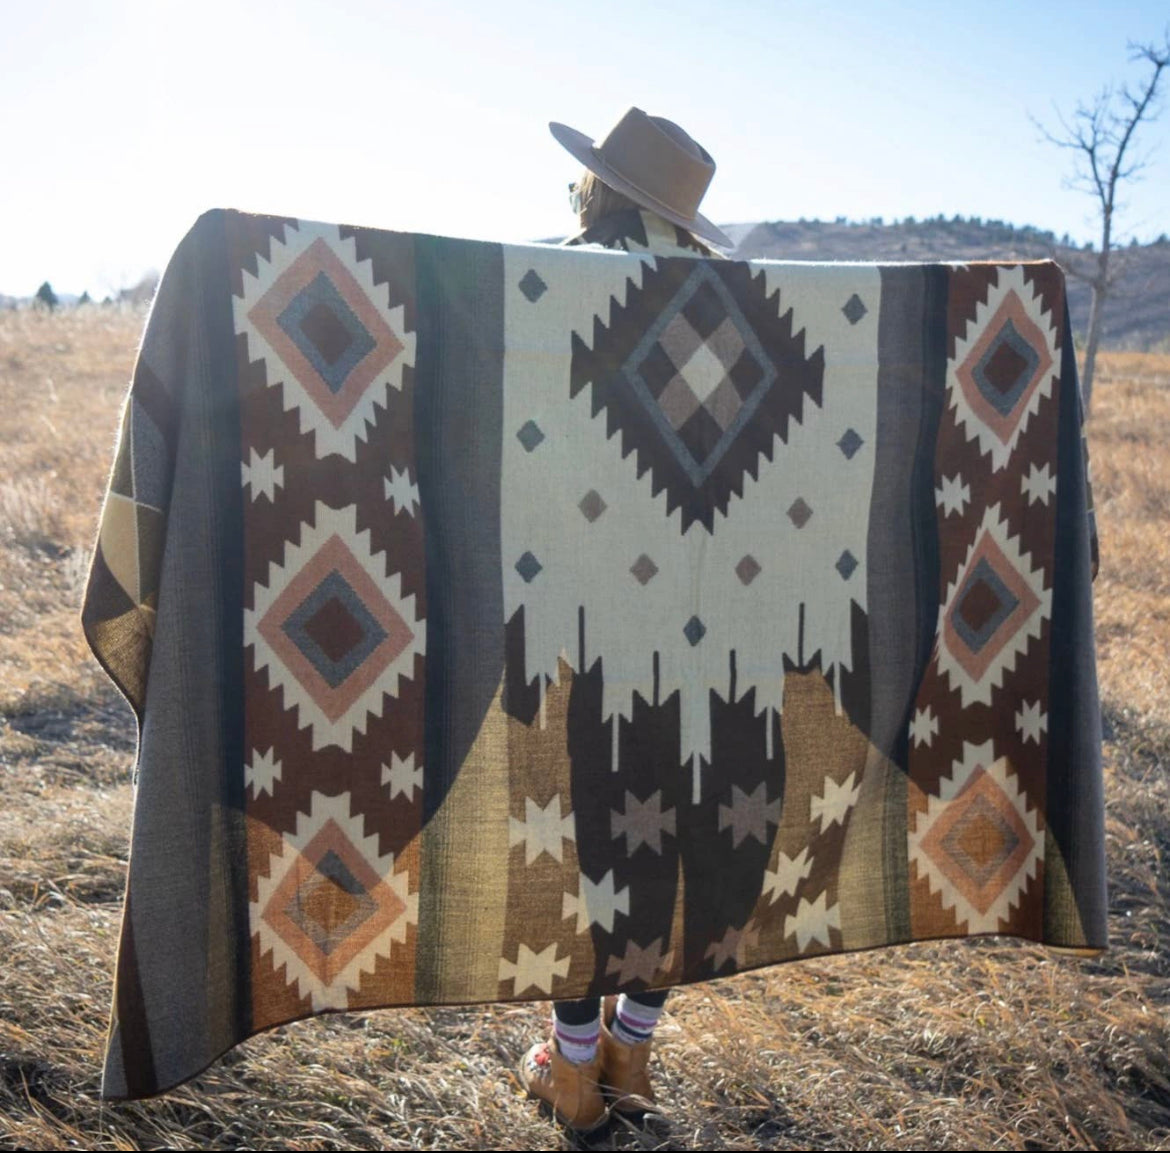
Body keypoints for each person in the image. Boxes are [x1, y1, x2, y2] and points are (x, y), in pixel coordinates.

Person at [518, 106, 732, 1134]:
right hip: (700, 609)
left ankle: (570, 1075)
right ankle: (632, 1054)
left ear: (594, 185)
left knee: (571, 838)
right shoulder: (733, 311)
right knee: (676, 832)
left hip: (567, 604)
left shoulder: (545, 279)